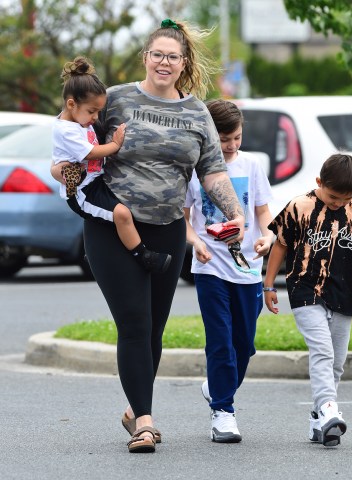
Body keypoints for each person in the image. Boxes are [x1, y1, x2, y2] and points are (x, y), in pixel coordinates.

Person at [50, 19, 245, 453]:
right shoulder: (114, 99)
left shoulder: (197, 113)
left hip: (168, 229)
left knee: (154, 328)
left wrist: (236, 213)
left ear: (183, 63)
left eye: (172, 56)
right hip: (111, 227)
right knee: (134, 321)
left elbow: (212, 171)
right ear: (146, 57)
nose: (164, 62)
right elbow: (71, 136)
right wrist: (62, 171)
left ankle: (134, 407)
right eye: (157, 54)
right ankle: (144, 422)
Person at [263, 153, 352, 447]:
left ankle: (319, 418)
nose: (339, 203)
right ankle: (330, 409)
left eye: (346, 198)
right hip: (305, 289)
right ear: (319, 182)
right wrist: (268, 285)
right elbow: (279, 246)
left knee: (337, 361)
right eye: (333, 197)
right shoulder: (299, 206)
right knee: (322, 350)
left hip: (346, 291)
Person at [184, 99, 274, 443]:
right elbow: (183, 217)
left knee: (244, 346)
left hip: (248, 268)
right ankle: (223, 411)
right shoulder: (194, 169)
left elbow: (263, 213)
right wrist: (196, 242)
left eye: (236, 137)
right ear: (208, 135)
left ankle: (215, 387)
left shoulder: (251, 165)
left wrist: (268, 236)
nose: (231, 145)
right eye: (224, 138)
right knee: (220, 342)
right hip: (210, 269)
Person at [53, 56, 171, 273]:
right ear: (71, 104)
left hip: (96, 181)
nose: (96, 117)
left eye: (98, 111)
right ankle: (143, 256)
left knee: (126, 207)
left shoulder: (78, 120)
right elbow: (91, 152)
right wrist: (115, 144)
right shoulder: (66, 129)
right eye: (92, 111)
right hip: (82, 191)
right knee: (121, 215)